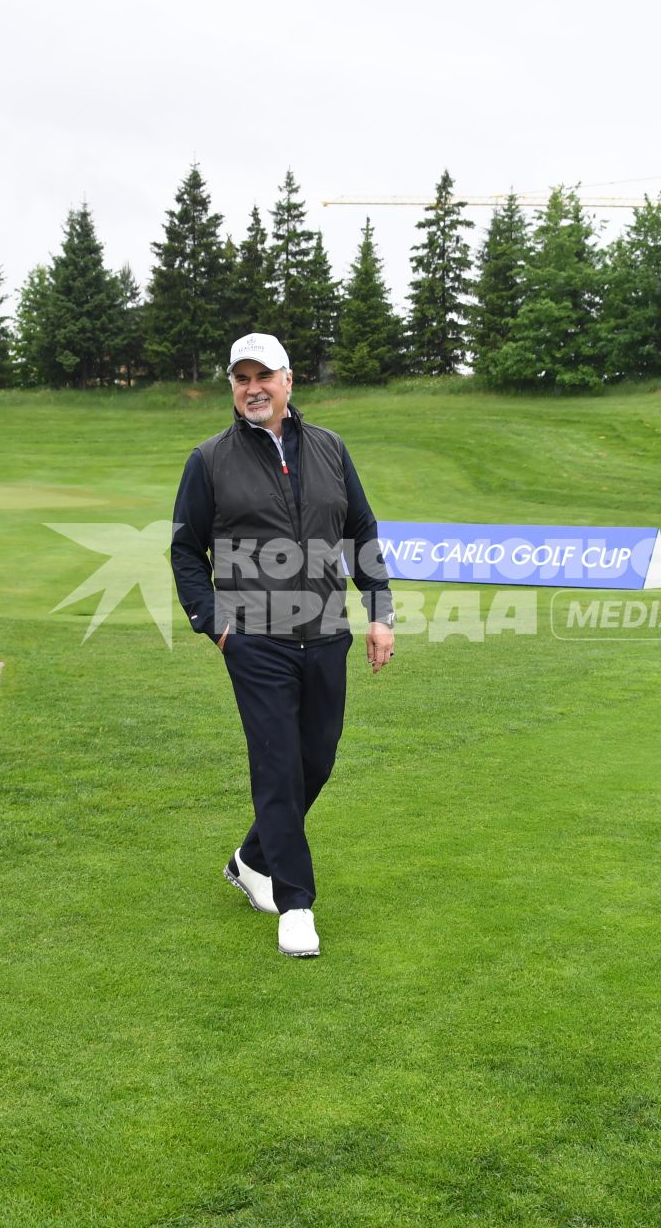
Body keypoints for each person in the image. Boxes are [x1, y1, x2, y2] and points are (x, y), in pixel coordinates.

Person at [169, 332, 395, 958]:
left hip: (325, 634)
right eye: (240, 379)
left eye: (262, 376)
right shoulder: (209, 459)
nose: (252, 389)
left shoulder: (329, 449)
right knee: (276, 766)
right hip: (255, 639)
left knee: (315, 761)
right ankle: (295, 904)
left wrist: (380, 611)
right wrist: (213, 622)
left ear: (289, 381)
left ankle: (250, 857)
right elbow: (186, 551)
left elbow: (360, 531)